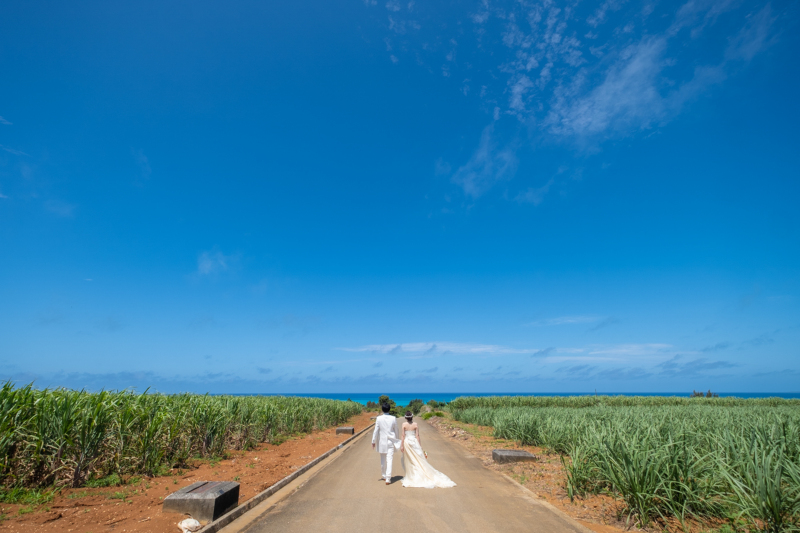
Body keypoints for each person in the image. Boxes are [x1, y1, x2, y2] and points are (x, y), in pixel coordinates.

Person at [400, 411, 456, 488]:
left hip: (407, 443)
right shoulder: (415, 424)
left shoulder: (403, 425)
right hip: (414, 442)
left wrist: (401, 445)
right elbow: (417, 436)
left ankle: (412, 476)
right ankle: (419, 474)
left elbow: (403, 435)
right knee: (418, 459)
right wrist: (420, 446)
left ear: (406, 417)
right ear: (412, 417)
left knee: (410, 460)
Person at [371, 403, 400, 484]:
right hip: (391, 441)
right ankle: (388, 478)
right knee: (389, 459)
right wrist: (396, 439)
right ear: (389, 409)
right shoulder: (393, 418)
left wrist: (373, 441)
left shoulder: (379, 418)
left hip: (382, 442)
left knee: (383, 459)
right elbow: (396, 430)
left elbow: (376, 431)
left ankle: (384, 475)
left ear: (382, 409)